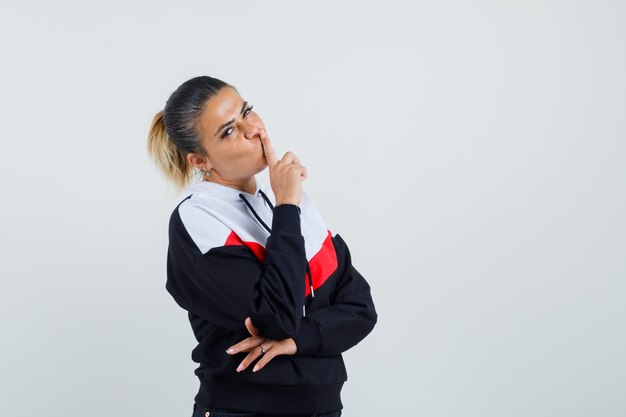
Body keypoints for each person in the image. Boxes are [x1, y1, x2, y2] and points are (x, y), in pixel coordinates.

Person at [146, 75, 377, 417]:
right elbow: (277, 316)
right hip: (242, 409)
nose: (253, 129)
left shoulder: (292, 199)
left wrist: (297, 340)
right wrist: (286, 207)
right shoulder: (198, 218)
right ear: (200, 161)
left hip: (324, 408)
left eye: (247, 111)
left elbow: (360, 310)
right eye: (228, 130)